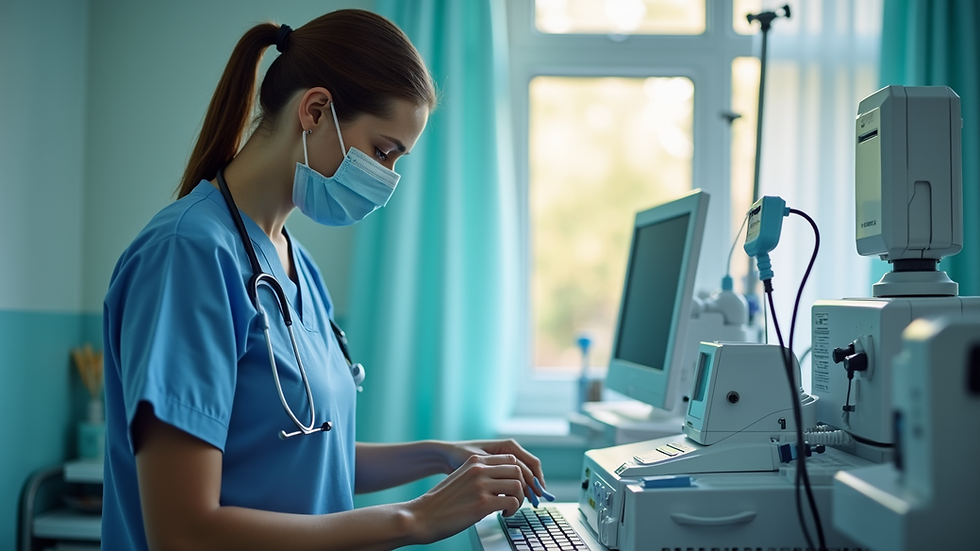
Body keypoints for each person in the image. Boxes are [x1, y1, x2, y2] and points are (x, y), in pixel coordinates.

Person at [101, 9, 550, 550]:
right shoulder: (189, 256)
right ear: (315, 110)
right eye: (383, 151)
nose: (386, 179)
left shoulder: (296, 266)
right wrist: (416, 519)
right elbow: (183, 532)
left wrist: (443, 454)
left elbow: (308, 456)